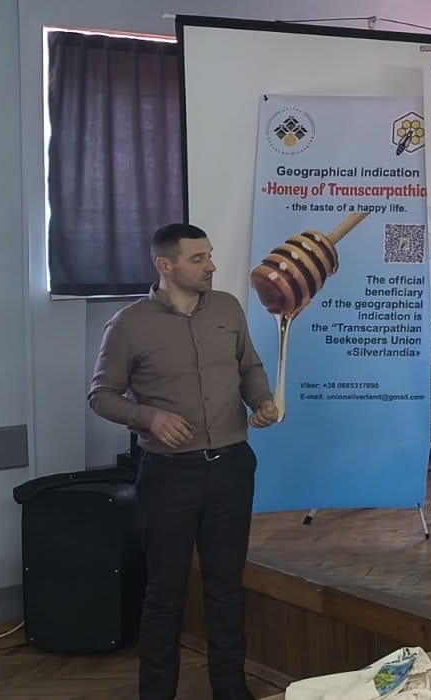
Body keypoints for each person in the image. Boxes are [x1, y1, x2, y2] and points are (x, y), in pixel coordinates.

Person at [89, 223, 280, 700]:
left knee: (226, 587)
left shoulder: (228, 308)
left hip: (232, 467)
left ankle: (231, 691)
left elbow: (249, 366)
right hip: (170, 476)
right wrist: (147, 417)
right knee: (165, 593)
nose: (211, 265)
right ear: (165, 265)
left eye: (210, 255)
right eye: (198, 258)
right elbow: (101, 395)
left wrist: (260, 400)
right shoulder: (129, 325)